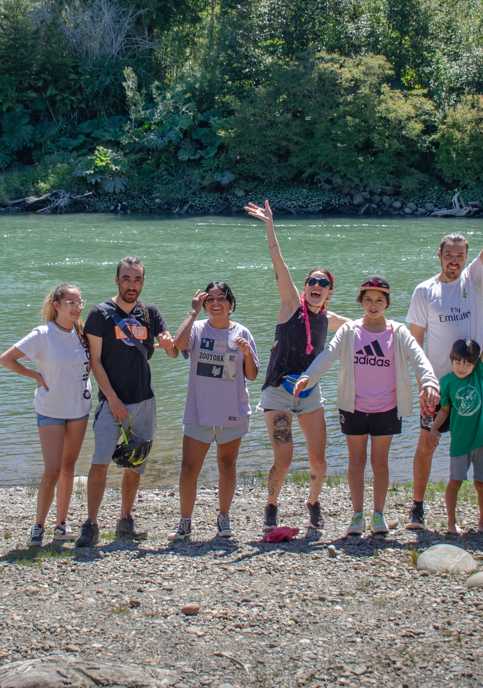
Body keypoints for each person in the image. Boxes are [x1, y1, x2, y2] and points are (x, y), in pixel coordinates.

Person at [296, 277, 437, 537]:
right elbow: (328, 355)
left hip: (387, 408)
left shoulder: (398, 331)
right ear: (361, 301)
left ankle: (378, 514)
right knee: (356, 461)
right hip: (354, 407)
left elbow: (419, 357)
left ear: (387, 303)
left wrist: (429, 382)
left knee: (380, 462)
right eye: (368, 299)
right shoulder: (350, 330)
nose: (373, 305)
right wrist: (308, 377)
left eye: (379, 300)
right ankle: (357, 515)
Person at [406, 187, 483, 530]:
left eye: (460, 255)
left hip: (477, 381)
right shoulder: (425, 291)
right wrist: (424, 384)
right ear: (439, 255)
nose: (454, 261)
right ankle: (417, 508)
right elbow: (415, 343)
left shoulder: (474, 279)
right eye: (449, 255)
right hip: (438, 386)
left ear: (466, 258)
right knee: (426, 444)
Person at [245, 200, 350, 532]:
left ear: (330, 293)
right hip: (278, 392)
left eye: (323, 284)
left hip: (309, 393)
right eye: (312, 282)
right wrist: (269, 225)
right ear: (305, 288)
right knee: (285, 458)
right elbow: (279, 263)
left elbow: (366, 327)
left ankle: (313, 502)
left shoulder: (330, 320)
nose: (316, 286)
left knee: (319, 460)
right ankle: (271, 505)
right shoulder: (291, 305)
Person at [78, 256, 176, 547]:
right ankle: (91, 524)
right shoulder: (100, 314)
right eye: (126, 279)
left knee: (136, 464)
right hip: (112, 402)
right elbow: (95, 361)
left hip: (144, 399)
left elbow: (171, 349)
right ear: (117, 280)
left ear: (143, 281)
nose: (131, 285)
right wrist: (112, 399)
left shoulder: (150, 312)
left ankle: (125, 520)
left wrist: (170, 343)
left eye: (137, 279)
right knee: (100, 463)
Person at [0, 283, 93, 547]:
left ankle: (61, 525)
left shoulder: (83, 332)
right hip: (51, 409)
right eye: (71, 303)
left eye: (79, 302)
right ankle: (38, 526)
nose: (76, 307)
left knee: (68, 468)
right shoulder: (42, 334)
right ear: (57, 306)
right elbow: (6, 359)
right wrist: (36, 376)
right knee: (52, 470)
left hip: (79, 409)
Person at [167, 282, 259, 542]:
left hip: (232, 411)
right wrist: (192, 311)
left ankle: (224, 517)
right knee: (188, 468)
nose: (216, 303)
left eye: (222, 298)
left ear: (231, 304)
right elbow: (179, 344)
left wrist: (246, 353)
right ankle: (185, 522)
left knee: (227, 467)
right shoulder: (197, 328)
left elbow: (252, 375)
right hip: (199, 412)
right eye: (210, 299)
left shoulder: (242, 332)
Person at [431, 309, 483, 535]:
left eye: (467, 363)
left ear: (475, 363)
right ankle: (451, 523)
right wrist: (434, 428)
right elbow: (445, 410)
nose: (462, 367)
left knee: (482, 483)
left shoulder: (480, 374)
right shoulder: (447, 382)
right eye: (458, 362)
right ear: (451, 360)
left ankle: (482, 523)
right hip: (460, 441)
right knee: (455, 481)